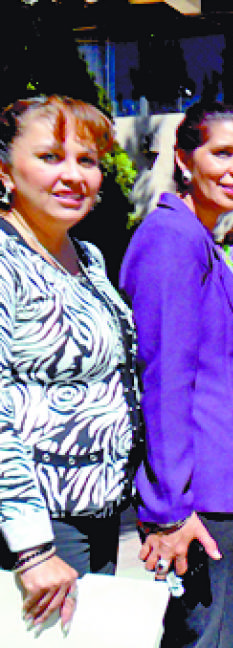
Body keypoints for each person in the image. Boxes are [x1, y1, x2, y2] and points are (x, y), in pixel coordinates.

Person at [120, 100, 233, 648]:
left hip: (232, 487)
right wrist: (168, 506)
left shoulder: (207, 240)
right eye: (222, 152)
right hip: (201, 493)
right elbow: (162, 375)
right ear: (184, 158)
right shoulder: (171, 237)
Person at [0, 95, 140, 630]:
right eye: (51, 157)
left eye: (87, 160)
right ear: (6, 170)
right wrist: (31, 547)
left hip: (97, 515)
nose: (74, 175)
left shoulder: (87, 256)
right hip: (34, 524)